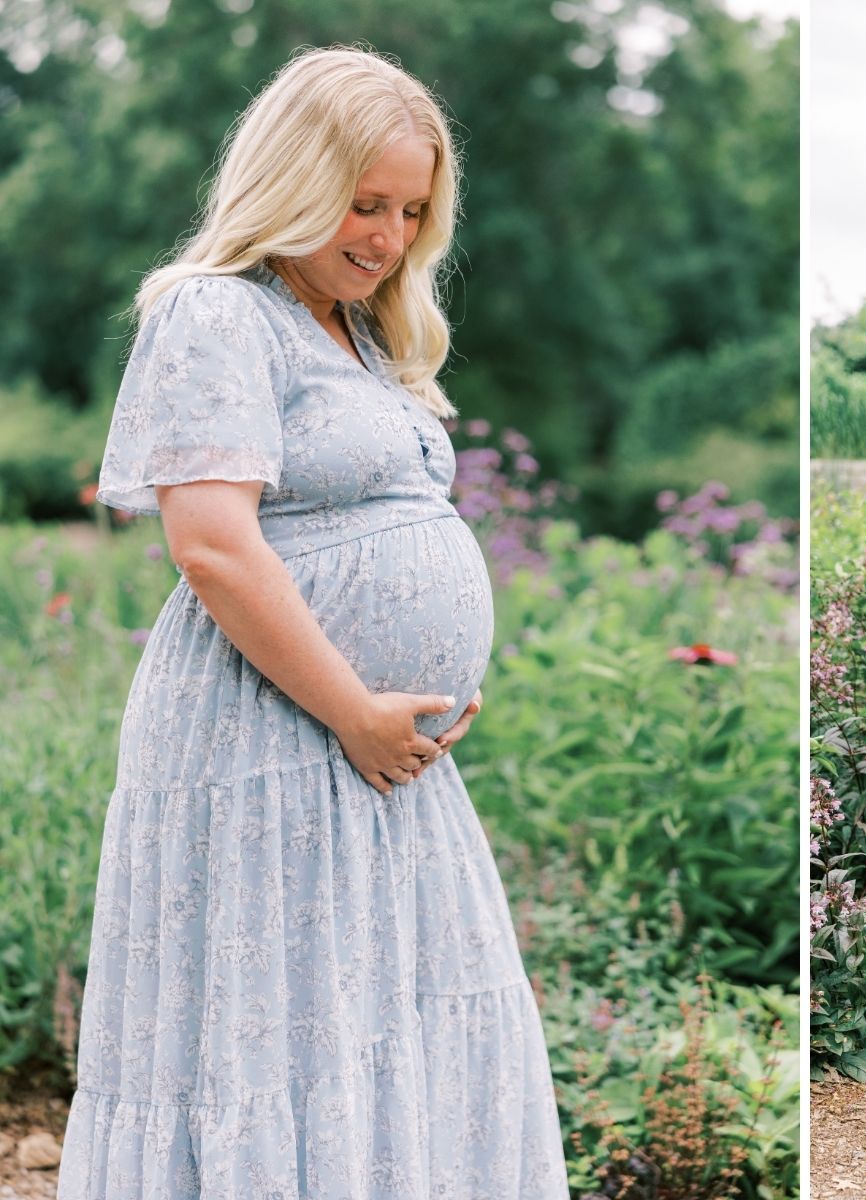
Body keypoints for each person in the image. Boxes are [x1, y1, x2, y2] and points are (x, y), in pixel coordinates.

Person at [57, 48, 568, 1196]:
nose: (386, 235)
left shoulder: (365, 334)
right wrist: (354, 706)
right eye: (362, 202)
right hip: (265, 740)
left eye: (410, 210)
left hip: (376, 757)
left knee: (402, 1018)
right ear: (291, 177)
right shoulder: (216, 313)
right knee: (276, 1044)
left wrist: (420, 687)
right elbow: (212, 544)